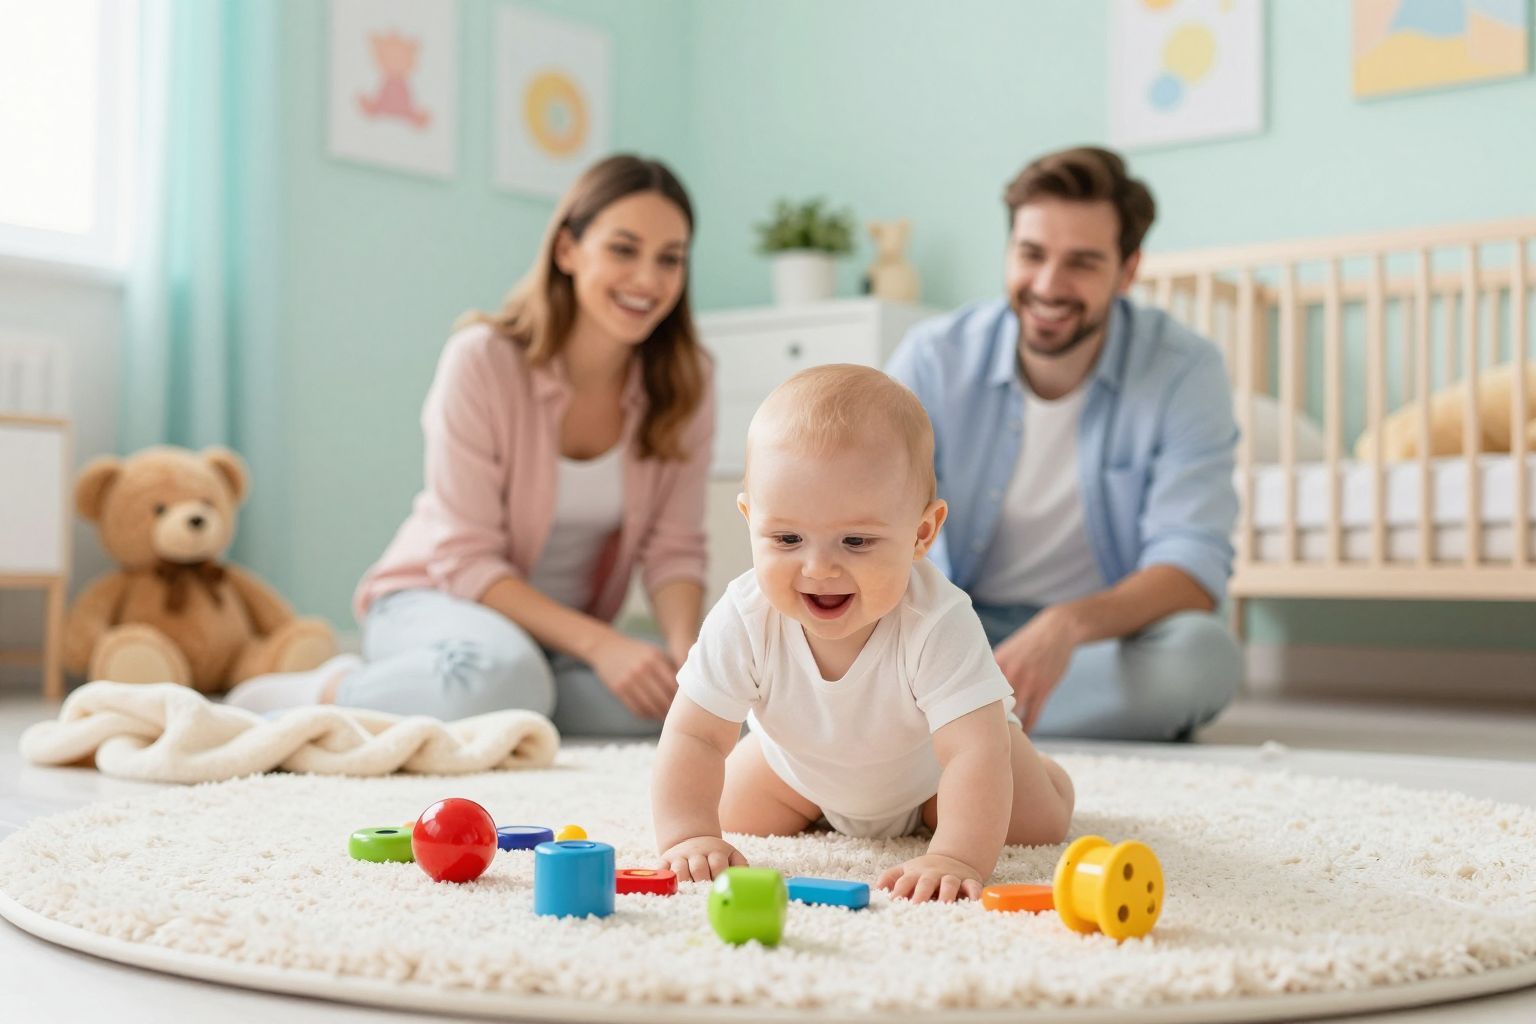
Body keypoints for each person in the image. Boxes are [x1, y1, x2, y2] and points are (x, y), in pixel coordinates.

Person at [226, 155, 714, 735]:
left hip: (555, 641)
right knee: (503, 676)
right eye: (623, 249)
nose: (648, 279)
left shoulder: (687, 382)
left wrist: (692, 661)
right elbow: (465, 560)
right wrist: (604, 645)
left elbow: (674, 549)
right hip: (433, 601)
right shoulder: (483, 359)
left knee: (701, 717)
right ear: (567, 251)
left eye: (670, 259)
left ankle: (500, 694)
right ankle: (320, 692)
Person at [651, 365, 1074, 904]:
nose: (819, 567)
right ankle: (802, 809)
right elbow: (695, 736)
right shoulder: (745, 616)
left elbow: (971, 754)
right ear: (750, 518)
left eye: (855, 541)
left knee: (1036, 820)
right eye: (786, 538)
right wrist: (689, 834)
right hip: (798, 773)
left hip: (932, 779)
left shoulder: (937, 621)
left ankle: (1046, 772)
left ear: (921, 534)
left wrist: (956, 856)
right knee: (731, 812)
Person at [887, 146, 1243, 741]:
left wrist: (1068, 625)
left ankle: (931, 719)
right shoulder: (933, 357)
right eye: (1031, 255)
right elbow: (865, 510)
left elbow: (1192, 567)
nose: (1049, 286)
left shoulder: (1185, 370)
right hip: (948, 626)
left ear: (1127, 271)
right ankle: (974, 711)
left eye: (1082, 262)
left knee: (1200, 659)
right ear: (1008, 253)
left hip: (1097, 640)